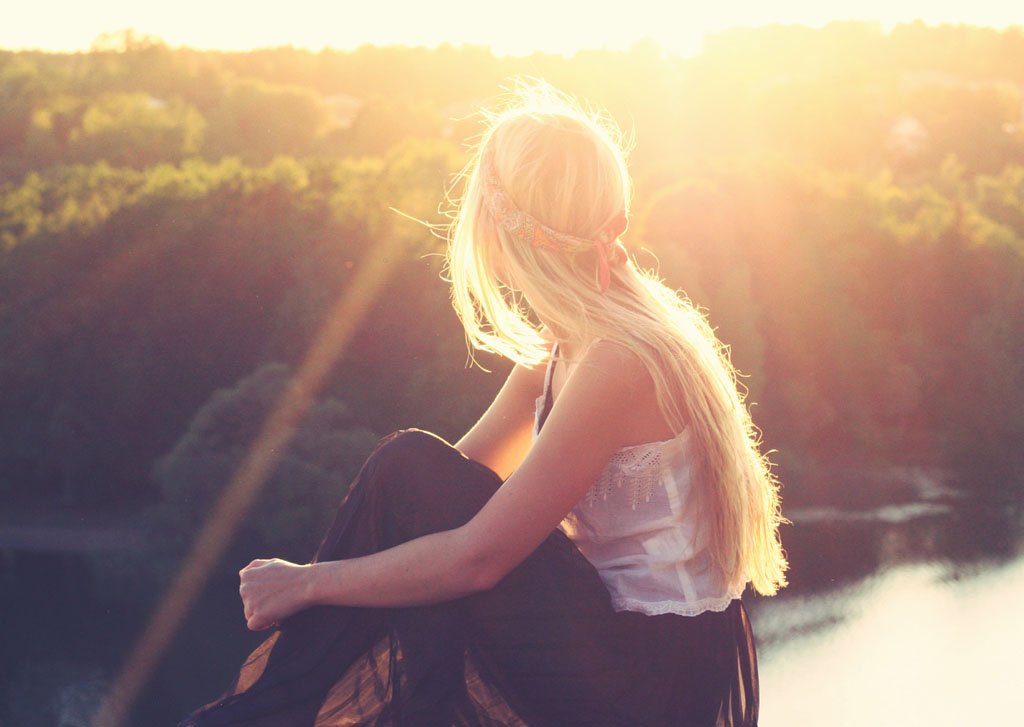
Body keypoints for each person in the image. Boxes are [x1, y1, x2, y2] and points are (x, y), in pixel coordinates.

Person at [179, 84, 787, 727]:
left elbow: (478, 557)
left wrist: (306, 585)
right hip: (613, 642)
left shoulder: (619, 361)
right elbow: (434, 494)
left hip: (646, 673)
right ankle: (289, 710)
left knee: (410, 474)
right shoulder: (567, 346)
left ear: (501, 224)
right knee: (406, 465)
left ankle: (274, 712)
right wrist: (327, 574)